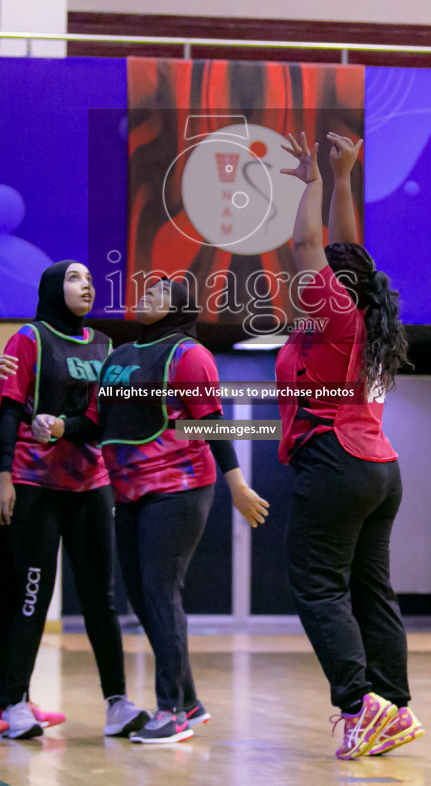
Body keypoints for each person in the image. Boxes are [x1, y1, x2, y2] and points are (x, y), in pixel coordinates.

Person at [37, 277, 270, 744]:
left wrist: (238, 485)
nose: (146, 294)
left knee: (162, 593)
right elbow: (98, 423)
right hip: (129, 492)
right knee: (144, 599)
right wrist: (62, 426)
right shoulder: (120, 358)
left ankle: (172, 713)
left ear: (179, 305)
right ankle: (190, 701)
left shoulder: (189, 355)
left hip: (179, 487)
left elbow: (210, 422)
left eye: (160, 292)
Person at [276, 131, 424, 761]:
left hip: (335, 457)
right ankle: (393, 707)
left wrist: (310, 179)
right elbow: (345, 250)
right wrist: (343, 176)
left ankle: (361, 704)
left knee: (316, 585)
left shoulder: (332, 311)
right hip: (379, 466)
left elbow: (311, 244)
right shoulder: (366, 314)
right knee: (371, 591)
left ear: (334, 284)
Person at [0, 261, 149, 740]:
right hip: (35, 485)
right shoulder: (29, 339)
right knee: (31, 594)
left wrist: (64, 426)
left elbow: (104, 419)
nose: (88, 284)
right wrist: (3, 476)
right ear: (54, 288)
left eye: (89, 278)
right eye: (76, 278)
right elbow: (9, 410)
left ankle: (117, 703)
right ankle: (14, 701)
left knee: (101, 598)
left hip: (91, 485)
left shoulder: (105, 346)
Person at [0, 283, 66, 737]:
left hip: (0, 498)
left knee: (5, 606)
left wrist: (37, 420)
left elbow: (8, 414)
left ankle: (10, 699)